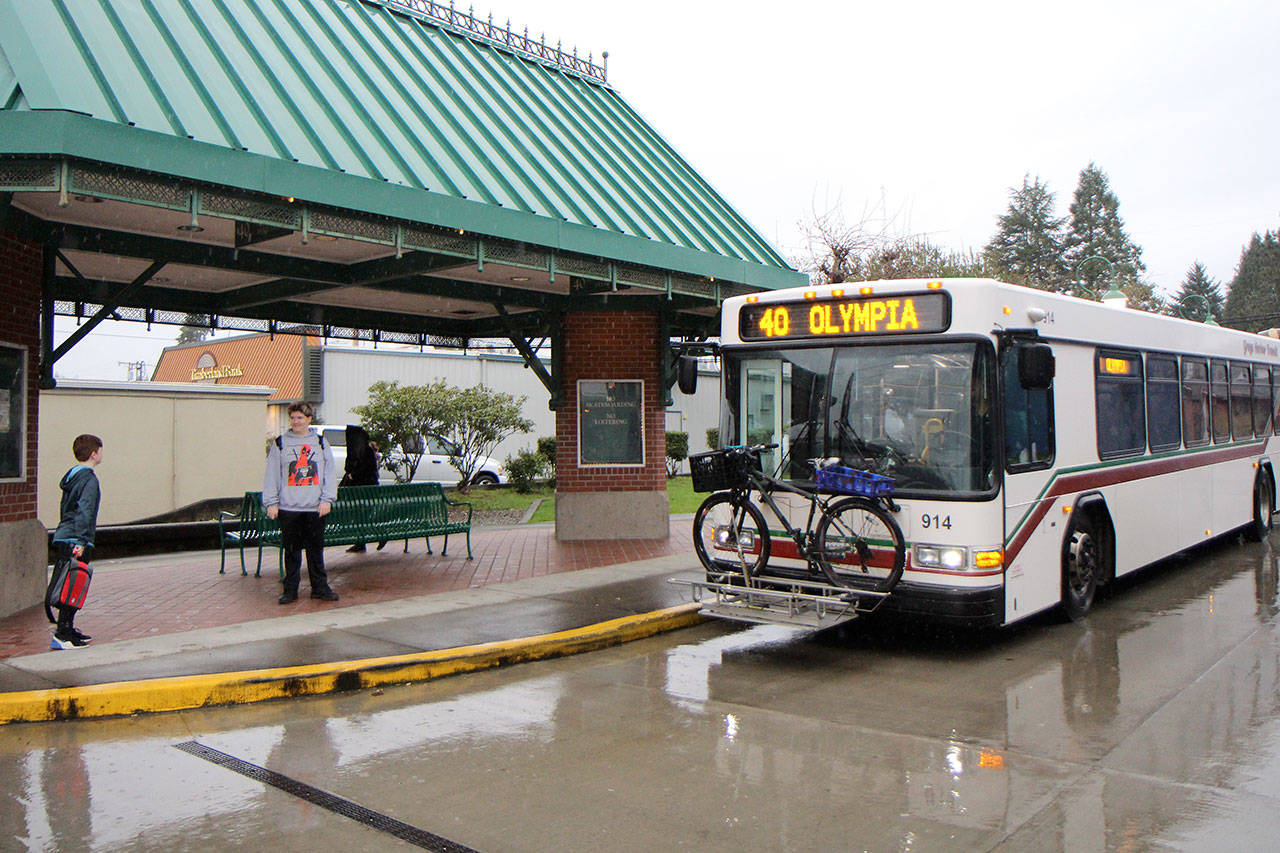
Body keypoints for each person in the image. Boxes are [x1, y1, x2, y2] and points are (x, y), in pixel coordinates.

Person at [264, 401, 339, 604]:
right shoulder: (280, 444)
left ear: (308, 419)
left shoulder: (321, 443)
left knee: (316, 551)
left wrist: (327, 499)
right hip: (289, 508)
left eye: (300, 418)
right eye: (293, 418)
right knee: (292, 552)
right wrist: (271, 502)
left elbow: (330, 474)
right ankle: (290, 590)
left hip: (315, 508)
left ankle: (320, 588)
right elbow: (271, 475)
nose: (296, 421)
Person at [49, 434, 103, 649]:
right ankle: (62, 634)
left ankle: (67, 628)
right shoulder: (89, 479)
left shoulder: (72, 476)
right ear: (93, 453)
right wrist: (81, 540)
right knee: (72, 585)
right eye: (100, 450)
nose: (101, 454)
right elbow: (85, 510)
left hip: (65, 534)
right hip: (76, 538)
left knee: (68, 583)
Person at [339, 424, 380, 553]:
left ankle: (365, 540)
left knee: (361, 517)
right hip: (366, 490)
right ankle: (362, 542)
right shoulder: (362, 450)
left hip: (363, 490)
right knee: (361, 517)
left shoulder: (362, 451)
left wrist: (353, 474)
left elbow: (356, 469)